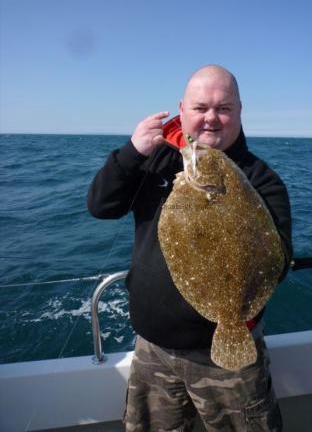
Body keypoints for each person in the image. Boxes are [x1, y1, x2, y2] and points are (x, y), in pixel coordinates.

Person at [87, 65, 292, 432]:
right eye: (200, 108)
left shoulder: (262, 180)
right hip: (152, 349)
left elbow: (278, 262)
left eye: (223, 108)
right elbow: (101, 206)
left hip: (226, 363)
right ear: (182, 110)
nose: (211, 118)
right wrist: (132, 152)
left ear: (240, 111)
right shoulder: (156, 160)